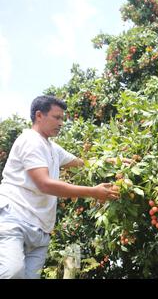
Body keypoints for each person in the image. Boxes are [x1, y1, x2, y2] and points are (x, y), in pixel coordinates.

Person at [0, 95, 119, 279]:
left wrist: (116, 161)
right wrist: (93, 192)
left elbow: (82, 163)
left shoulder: (52, 148)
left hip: (41, 232)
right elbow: (45, 184)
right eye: (57, 117)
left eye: (62, 118)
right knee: (12, 274)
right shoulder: (30, 140)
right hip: (15, 220)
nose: (61, 123)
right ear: (39, 115)